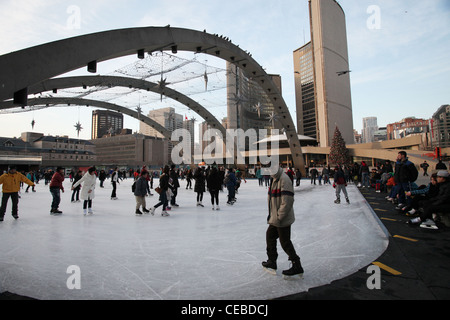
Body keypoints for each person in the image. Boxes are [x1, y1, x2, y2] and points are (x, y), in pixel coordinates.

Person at [262, 167, 304, 277]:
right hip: (275, 217)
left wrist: (279, 216)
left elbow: (288, 201)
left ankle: (297, 265)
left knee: (285, 242)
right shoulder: (274, 179)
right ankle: (272, 261)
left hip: (282, 218)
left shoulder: (284, 180)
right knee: (270, 236)